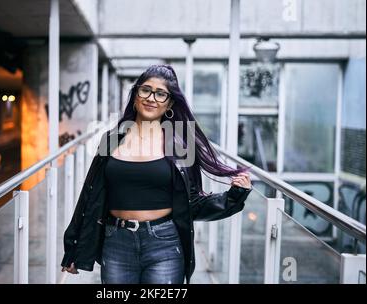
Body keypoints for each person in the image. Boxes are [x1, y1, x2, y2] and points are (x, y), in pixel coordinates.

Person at [61, 64, 252, 284]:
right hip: (116, 243)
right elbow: (90, 195)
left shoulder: (181, 144)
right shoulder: (112, 139)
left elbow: (193, 202)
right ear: (135, 96)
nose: (152, 98)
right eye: (146, 90)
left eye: (161, 94)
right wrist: (74, 245)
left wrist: (233, 197)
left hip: (164, 245)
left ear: (169, 103)